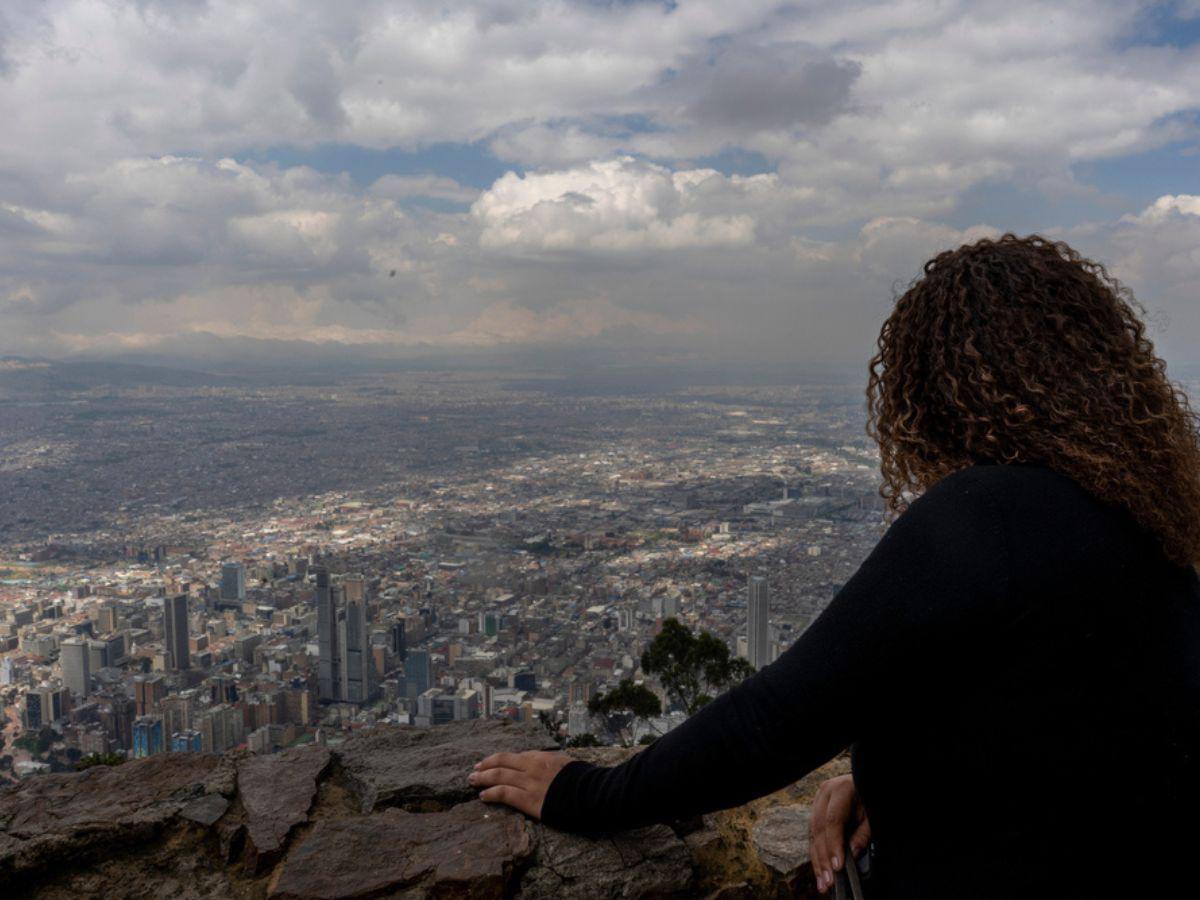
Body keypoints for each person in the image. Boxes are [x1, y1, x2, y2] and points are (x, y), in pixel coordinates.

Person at [470, 233, 1200, 899]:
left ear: (933, 392)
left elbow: (773, 724)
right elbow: (1073, 728)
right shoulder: (1159, 520)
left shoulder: (986, 513)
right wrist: (891, 783)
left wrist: (586, 794)